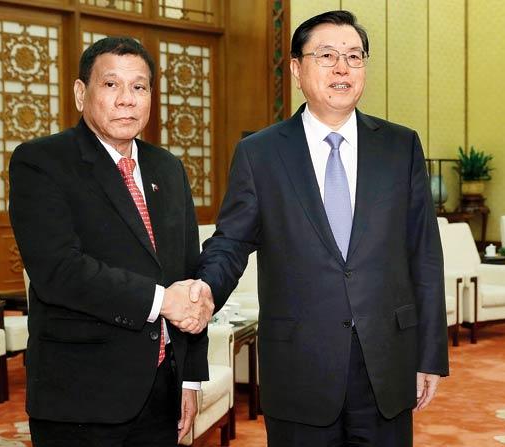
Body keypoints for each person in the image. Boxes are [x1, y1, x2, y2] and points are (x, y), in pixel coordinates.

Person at [189, 10, 448, 446]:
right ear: (296, 68)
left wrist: (429, 354)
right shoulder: (261, 153)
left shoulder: (400, 145)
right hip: (299, 367)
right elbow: (231, 241)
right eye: (327, 55)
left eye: (354, 56)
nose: (342, 68)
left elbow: (423, 252)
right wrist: (204, 289)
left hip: (386, 362)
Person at [9, 37, 213, 447]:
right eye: (111, 85)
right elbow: (59, 271)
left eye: (138, 87)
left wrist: (190, 376)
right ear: (81, 93)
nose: (126, 100)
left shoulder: (168, 168)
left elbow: (188, 274)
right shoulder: (41, 162)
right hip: (82, 396)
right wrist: (161, 301)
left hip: (161, 391)